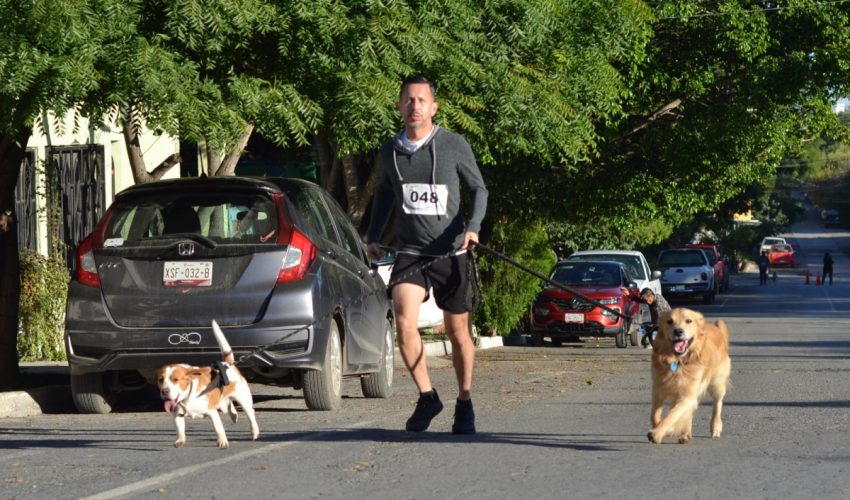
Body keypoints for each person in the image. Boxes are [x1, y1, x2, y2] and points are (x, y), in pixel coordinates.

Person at [366, 75, 488, 435]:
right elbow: (386, 195)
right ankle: (427, 395)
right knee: (404, 319)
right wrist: (373, 235)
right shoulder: (390, 151)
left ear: (433, 108)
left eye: (421, 100)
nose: (414, 105)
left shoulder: (453, 145)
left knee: (457, 330)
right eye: (408, 99)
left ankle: (464, 402)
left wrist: (474, 226)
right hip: (411, 252)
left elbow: (478, 188)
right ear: (399, 106)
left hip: (452, 251)